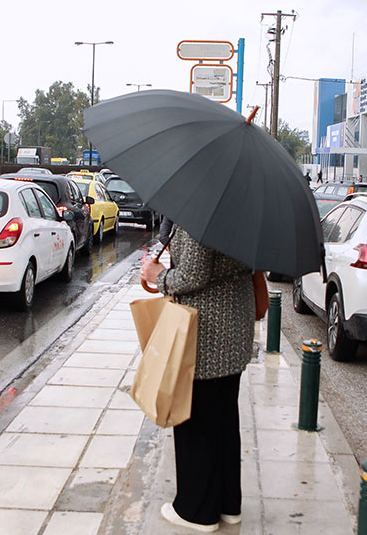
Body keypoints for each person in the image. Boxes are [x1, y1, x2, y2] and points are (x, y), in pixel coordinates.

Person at [140, 227, 255, 531]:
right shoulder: (244, 211)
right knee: (225, 421)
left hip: (206, 334)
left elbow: (193, 274)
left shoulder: (202, 217)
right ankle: (229, 505)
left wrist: (158, 276)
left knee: (196, 421)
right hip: (236, 326)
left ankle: (197, 511)